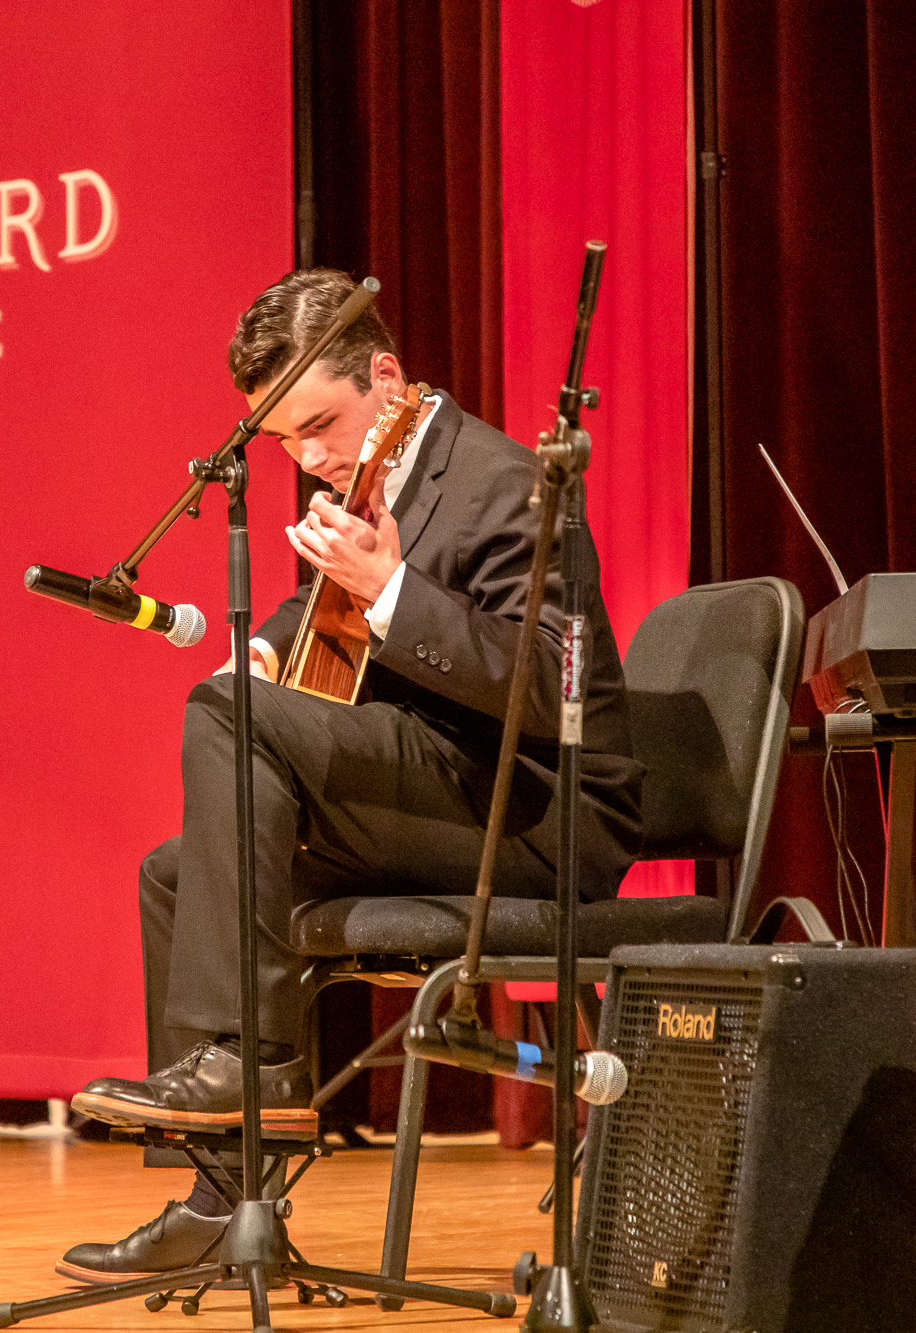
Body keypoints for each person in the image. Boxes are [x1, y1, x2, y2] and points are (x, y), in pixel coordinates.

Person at [55, 269, 643, 1284]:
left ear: (386, 375)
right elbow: (311, 618)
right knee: (175, 868)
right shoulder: (368, 486)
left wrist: (391, 591)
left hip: (534, 812)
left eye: (320, 424)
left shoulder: (505, 480)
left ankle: (247, 1061)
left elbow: (556, 684)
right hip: (434, 787)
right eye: (284, 440)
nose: (310, 457)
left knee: (225, 721)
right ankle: (219, 1198)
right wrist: (268, 650)